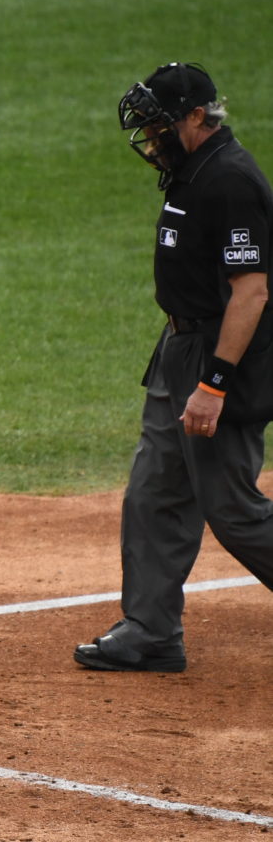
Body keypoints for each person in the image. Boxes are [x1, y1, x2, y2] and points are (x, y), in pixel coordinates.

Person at [75, 63, 273, 672]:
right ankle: (152, 631)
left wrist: (213, 383)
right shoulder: (189, 173)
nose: (152, 139)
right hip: (177, 351)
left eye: (160, 126)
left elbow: (253, 292)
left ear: (197, 117)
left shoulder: (231, 181)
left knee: (232, 509)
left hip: (220, 357)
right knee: (155, 491)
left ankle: (152, 628)